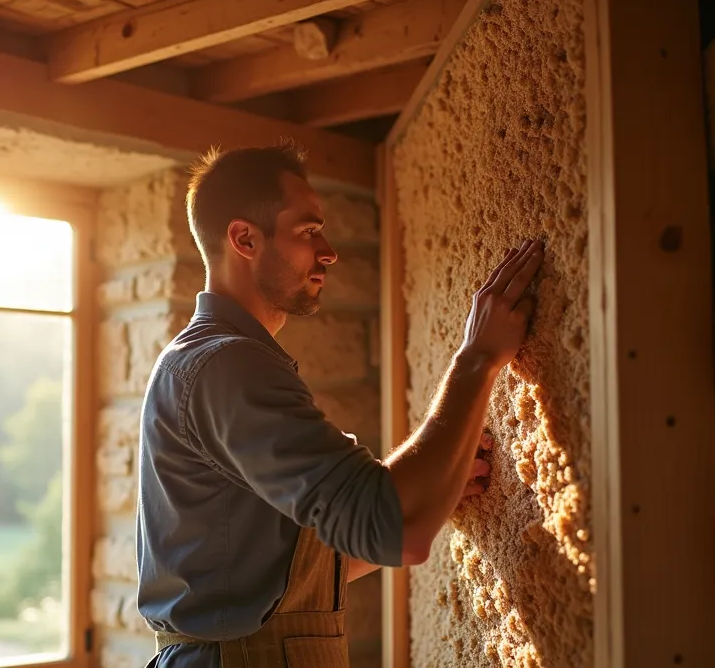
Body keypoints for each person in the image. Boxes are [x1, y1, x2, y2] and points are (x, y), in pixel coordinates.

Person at [136, 143, 544, 668]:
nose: (328, 251)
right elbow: (396, 533)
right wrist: (478, 359)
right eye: (307, 232)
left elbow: (288, 568)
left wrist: (434, 488)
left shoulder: (216, 363)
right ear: (244, 239)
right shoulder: (227, 366)